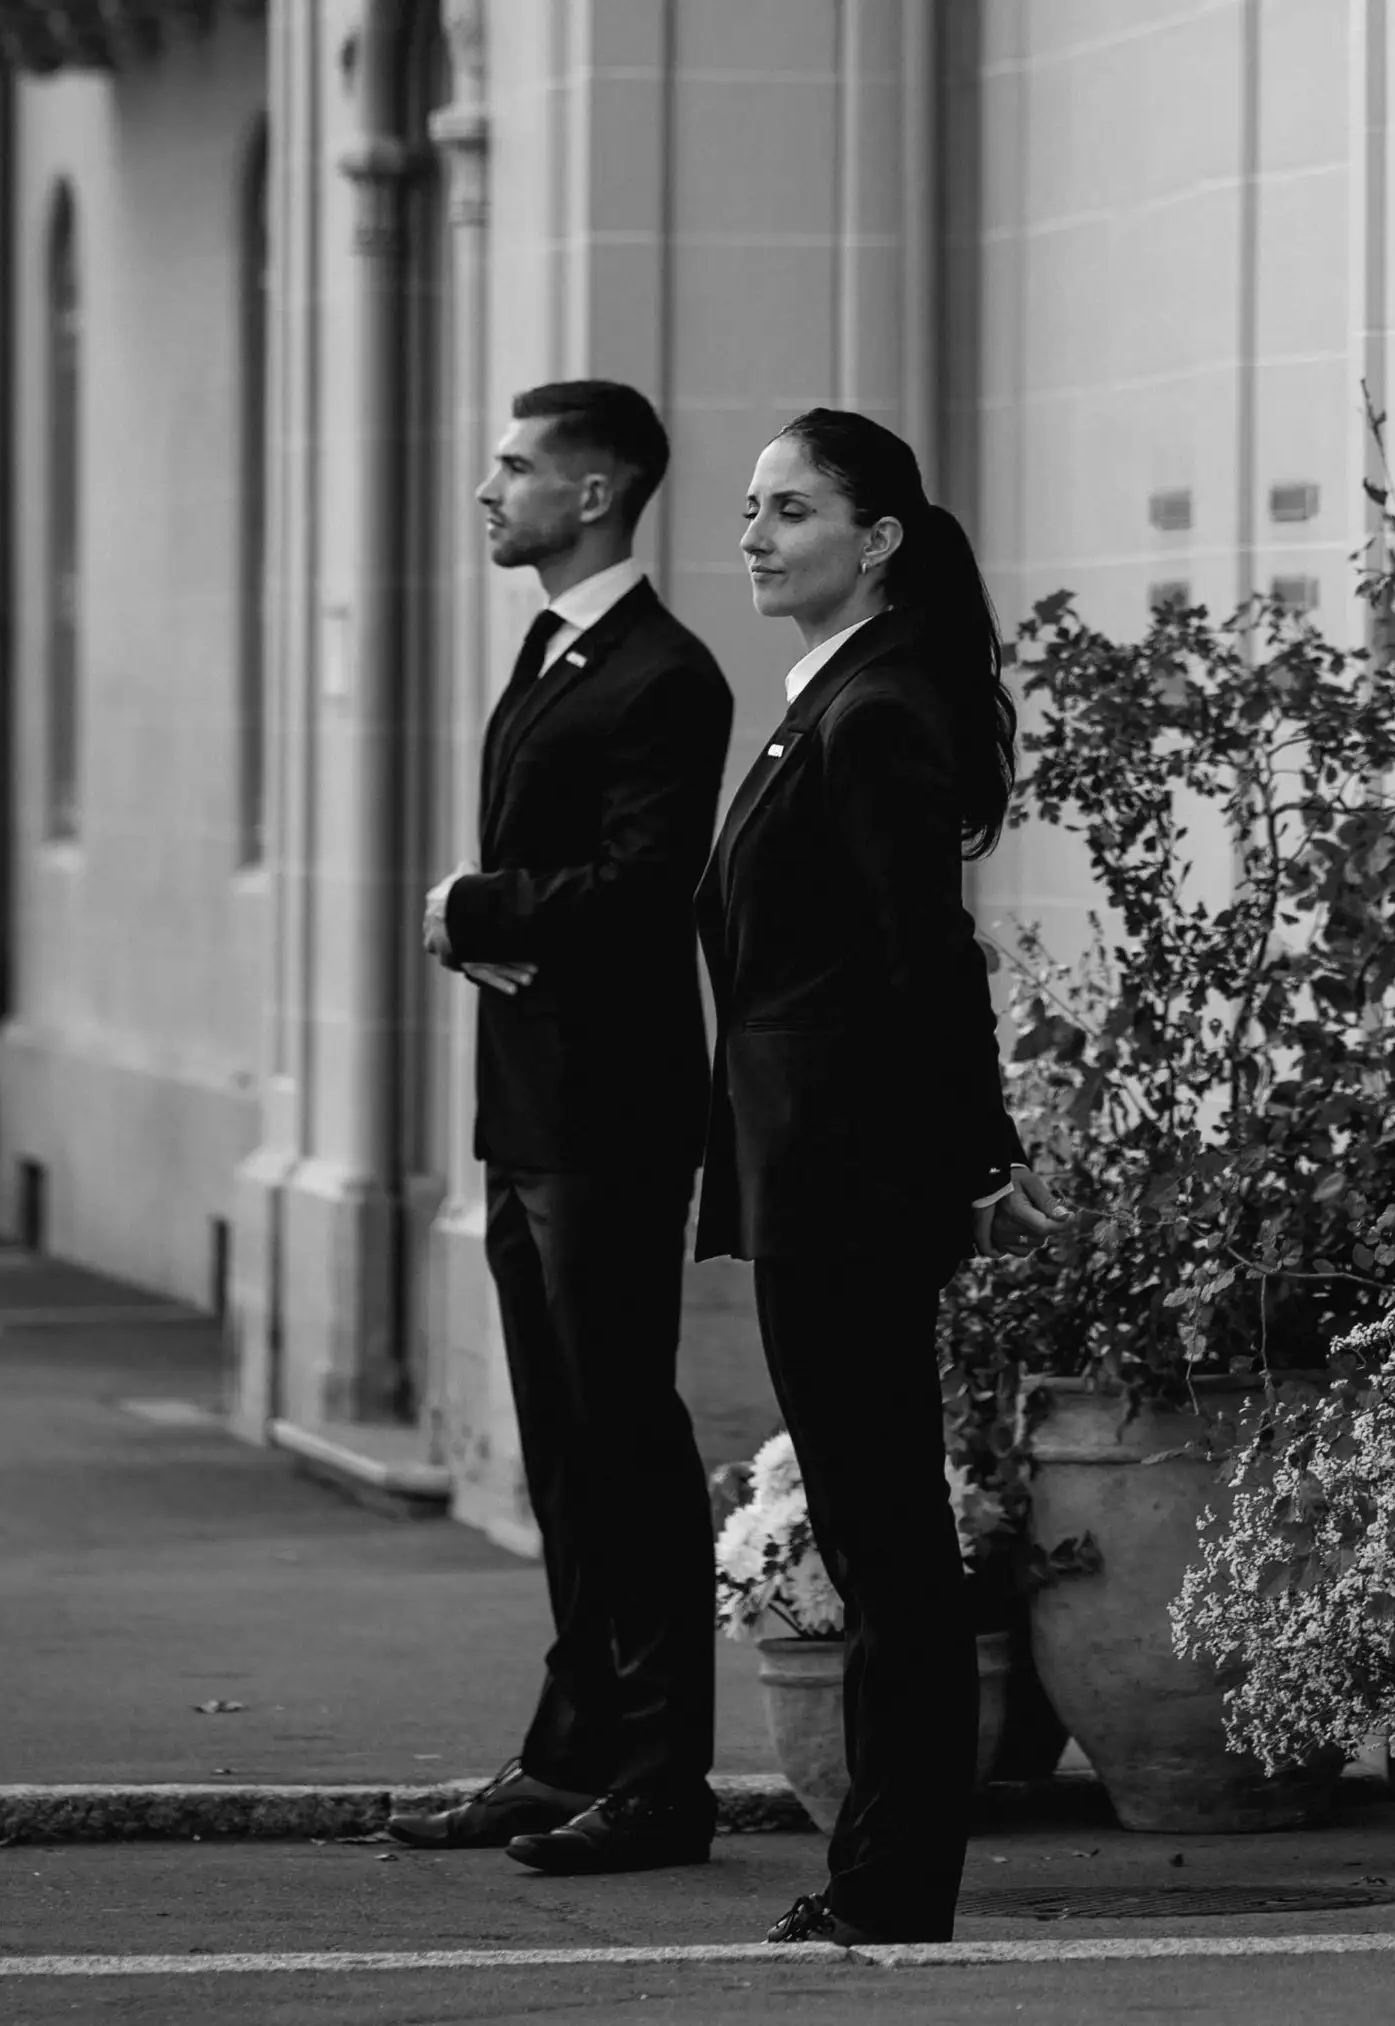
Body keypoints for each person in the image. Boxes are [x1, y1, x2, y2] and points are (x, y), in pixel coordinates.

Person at [701, 409, 1068, 1946]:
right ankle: (881, 1874)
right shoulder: (832, 699)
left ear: (879, 539)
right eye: (750, 507)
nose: (754, 534)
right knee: (872, 1531)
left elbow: (926, 958)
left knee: (886, 1540)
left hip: (848, 1174)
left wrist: (975, 1153)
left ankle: (893, 1880)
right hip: (813, 1164)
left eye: (791, 508)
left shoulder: (875, 711)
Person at [388, 380, 735, 1875]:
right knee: (562, 1449)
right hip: (528, 1109)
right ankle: (569, 1753)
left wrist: (473, 910)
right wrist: (491, 929)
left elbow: (644, 891)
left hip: (610, 1116)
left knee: (624, 1439)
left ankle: (661, 1781)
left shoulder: (666, 672)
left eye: (516, 466)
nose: (490, 488)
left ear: (594, 494)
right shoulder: (554, 646)